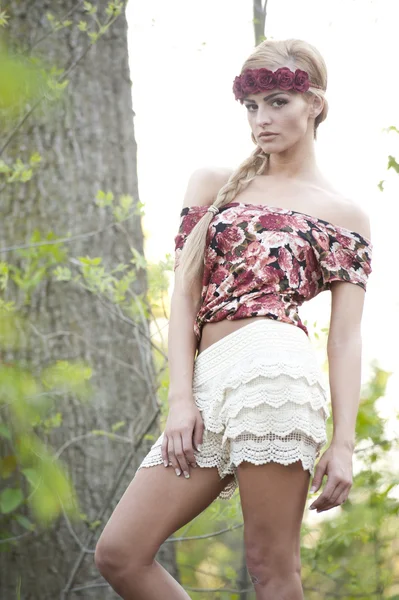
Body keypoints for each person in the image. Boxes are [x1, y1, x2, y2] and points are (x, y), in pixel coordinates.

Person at [94, 38, 373, 600]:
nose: (261, 119)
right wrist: (181, 398)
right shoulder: (213, 185)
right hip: (209, 380)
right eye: (251, 106)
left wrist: (343, 444)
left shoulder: (345, 214)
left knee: (271, 568)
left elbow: (345, 339)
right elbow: (183, 297)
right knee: (121, 554)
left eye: (277, 103)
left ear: (314, 104)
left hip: (277, 379)